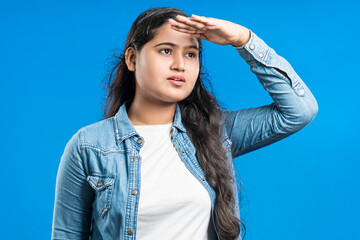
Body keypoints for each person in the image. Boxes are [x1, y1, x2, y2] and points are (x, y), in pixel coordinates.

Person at [51, 7, 318, 240]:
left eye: (191, 54)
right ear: (132, 59)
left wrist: (243, 39)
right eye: (166, 50)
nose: (180, 65)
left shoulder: (216, 132)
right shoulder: (89, 147)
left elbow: (300, 110)